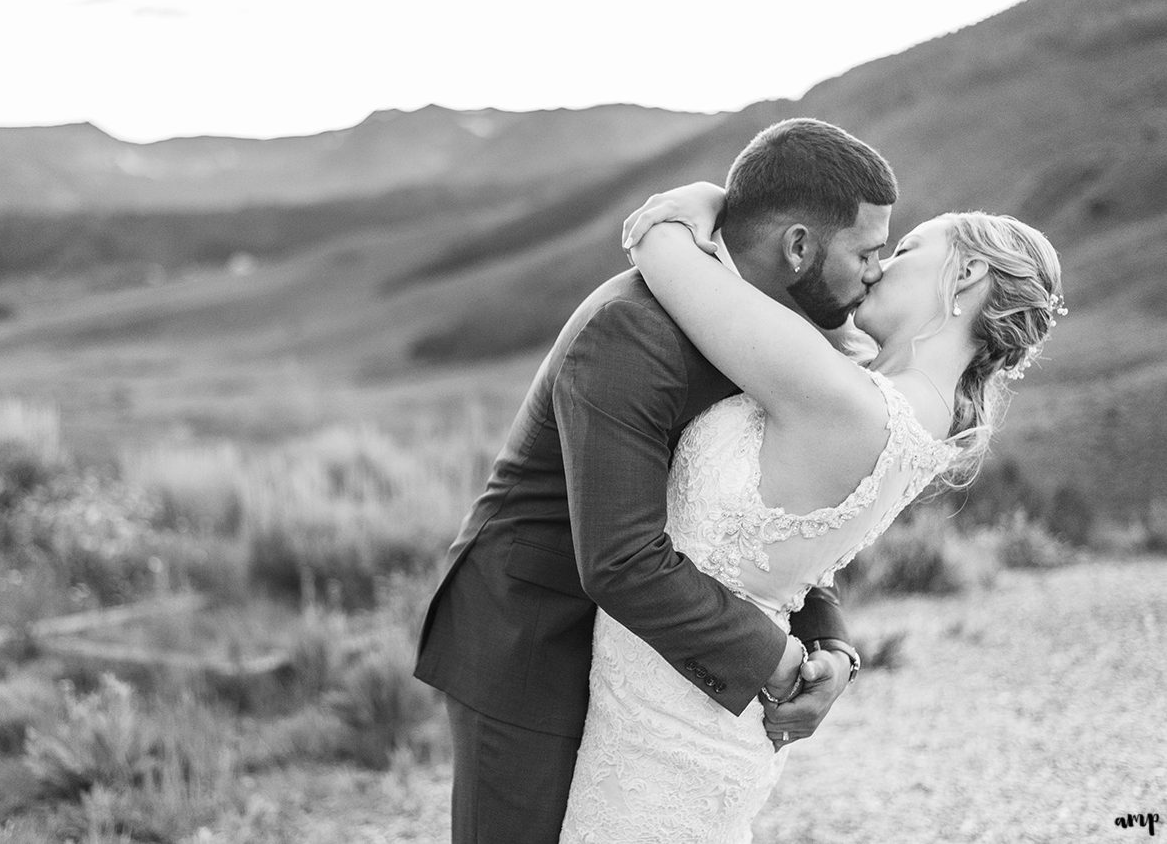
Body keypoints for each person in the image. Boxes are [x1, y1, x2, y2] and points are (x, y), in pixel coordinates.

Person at [415, 118, 901, 843]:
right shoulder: (632, 329)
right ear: (798, 246)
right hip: (533, 632)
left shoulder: (773, 332)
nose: (878, 271)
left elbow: (762, 510)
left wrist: (830, 644)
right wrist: (775, 661)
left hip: (642, 646)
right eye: (867, 251)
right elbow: (619, 555)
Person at [557, 175, 1063, 841]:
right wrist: (838, 647)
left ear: (965, 272)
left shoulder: (845, 399)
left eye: (907, 248)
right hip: (701, 716)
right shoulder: (925, 425)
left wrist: (713, 199)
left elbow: (659, 246)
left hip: (669, 716)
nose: (881, 264)